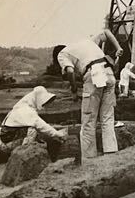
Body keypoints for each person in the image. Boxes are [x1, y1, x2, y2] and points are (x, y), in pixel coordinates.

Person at [54, 29, 127, 162]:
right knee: (107, 118)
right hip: (109, 74)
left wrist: (74, 90)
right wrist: (118, 48)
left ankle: (89, 159)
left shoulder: (62, 54)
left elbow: (70, 72)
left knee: (88, 121)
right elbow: (106, 32)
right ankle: (111, 154)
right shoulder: (87, 42)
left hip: (94, 75)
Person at [0, 85, 64, 154]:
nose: (44, 104)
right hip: (5, 145)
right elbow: (41, 125)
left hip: (5, 141)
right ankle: (23, 153)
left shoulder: (22, 107)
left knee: (37, 132)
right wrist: (59, 134)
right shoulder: (26, 110)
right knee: (32, 130)